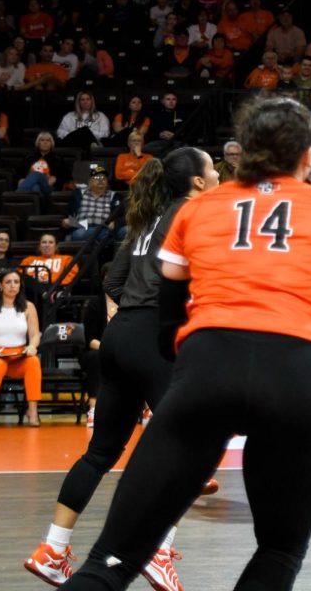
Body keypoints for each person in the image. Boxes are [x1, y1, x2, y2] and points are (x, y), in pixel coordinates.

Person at [57, 97, 311, 591]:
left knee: (111, 560)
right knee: (278, 551)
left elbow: (168, 322)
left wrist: (190, 380)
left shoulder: (197, 210)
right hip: (293, 378)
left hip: (206, 368)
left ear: (243, 151)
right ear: (309, 156)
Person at [24, 150, 218, 588]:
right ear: (199, 183)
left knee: (100, 453)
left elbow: (113, 281)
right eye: (214, 169)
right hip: (154, 335)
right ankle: (159, 551)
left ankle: (53, 547)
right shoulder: (194, 215)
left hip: (121, 335)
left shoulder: (148, 220)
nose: (220, 174)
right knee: (186, 451)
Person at [0, 270, 42, 426]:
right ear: (0, 286)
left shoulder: (28, 307)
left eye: (16, 282)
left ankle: (32, 411)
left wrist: (32, 346)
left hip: (18, 356)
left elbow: (35, 334)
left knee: (33, 362)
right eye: (8, 282)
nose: (13, 285)